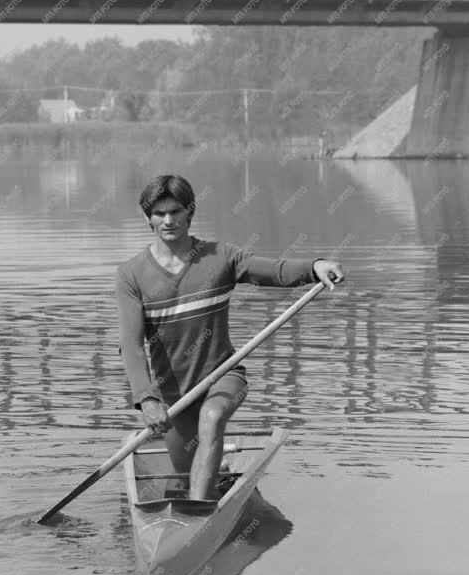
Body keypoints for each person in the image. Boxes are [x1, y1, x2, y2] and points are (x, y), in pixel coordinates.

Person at [116, 174, 344, 500]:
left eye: (176, 211)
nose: (168, 220)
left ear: (190, 212)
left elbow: (275, 271)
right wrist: (148, 399)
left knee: (212, 418)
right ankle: (210, 476)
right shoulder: (130, 275)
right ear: (147, 217)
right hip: (174, 396)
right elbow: (131, 345)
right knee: (181, 479)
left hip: (225, 377)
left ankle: (201, 510)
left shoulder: (221, 257)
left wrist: (315, 266)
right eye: (159, 213)